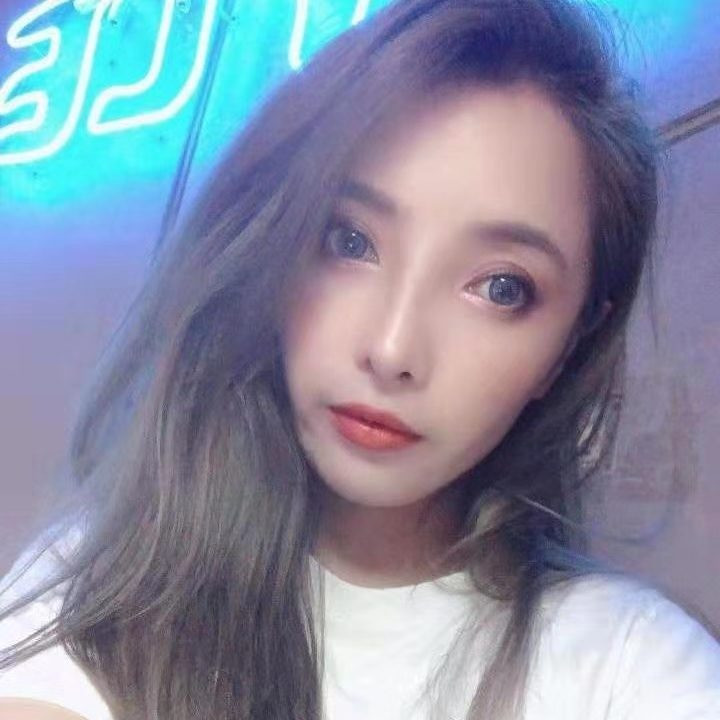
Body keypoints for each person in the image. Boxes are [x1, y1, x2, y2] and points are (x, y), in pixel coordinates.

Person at [1, 0, 719, 718]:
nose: (392, 349)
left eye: (502, 288)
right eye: (349, 241)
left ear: (568, 347)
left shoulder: (635, 666)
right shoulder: (103, 587)